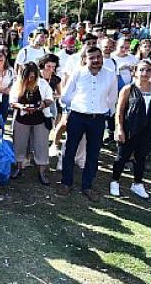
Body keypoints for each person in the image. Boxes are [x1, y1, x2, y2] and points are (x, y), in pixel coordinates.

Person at [57, 46, 118, 202]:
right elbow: (65, 96)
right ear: (85, 59)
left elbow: (112, 98)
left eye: (98, 57)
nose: (96, 60)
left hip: (98, 119)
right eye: (92, 58)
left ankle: (87, 186)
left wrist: (100, 108)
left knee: (93, 153)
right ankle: (66, 183)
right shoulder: (78, 73)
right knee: (70, 150)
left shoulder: (110, 75)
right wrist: (78, 105)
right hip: (77, 117)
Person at [111, 60, 151, 199]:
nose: (145, 73)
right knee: (122, 157)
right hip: (130, 129)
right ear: (135, 72)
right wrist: (119, 129)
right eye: (141, 70)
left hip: (149, 130)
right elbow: (120, 111)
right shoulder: (128, 89)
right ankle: (115, 181)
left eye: (148, 70)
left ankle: (137, 183)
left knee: (141, 158)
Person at [9, 62, 54, 184]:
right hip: (22, 119)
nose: (30, 79)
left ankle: (42, 171)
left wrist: (42, 105)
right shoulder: (17, 85)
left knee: (41, 145)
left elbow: (50, 98)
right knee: (20, 143)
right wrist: (22, 107)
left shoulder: (43, 84)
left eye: (33, 76)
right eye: (28, 76)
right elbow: (12, 102)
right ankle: (19, 167)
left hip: (39, 118)